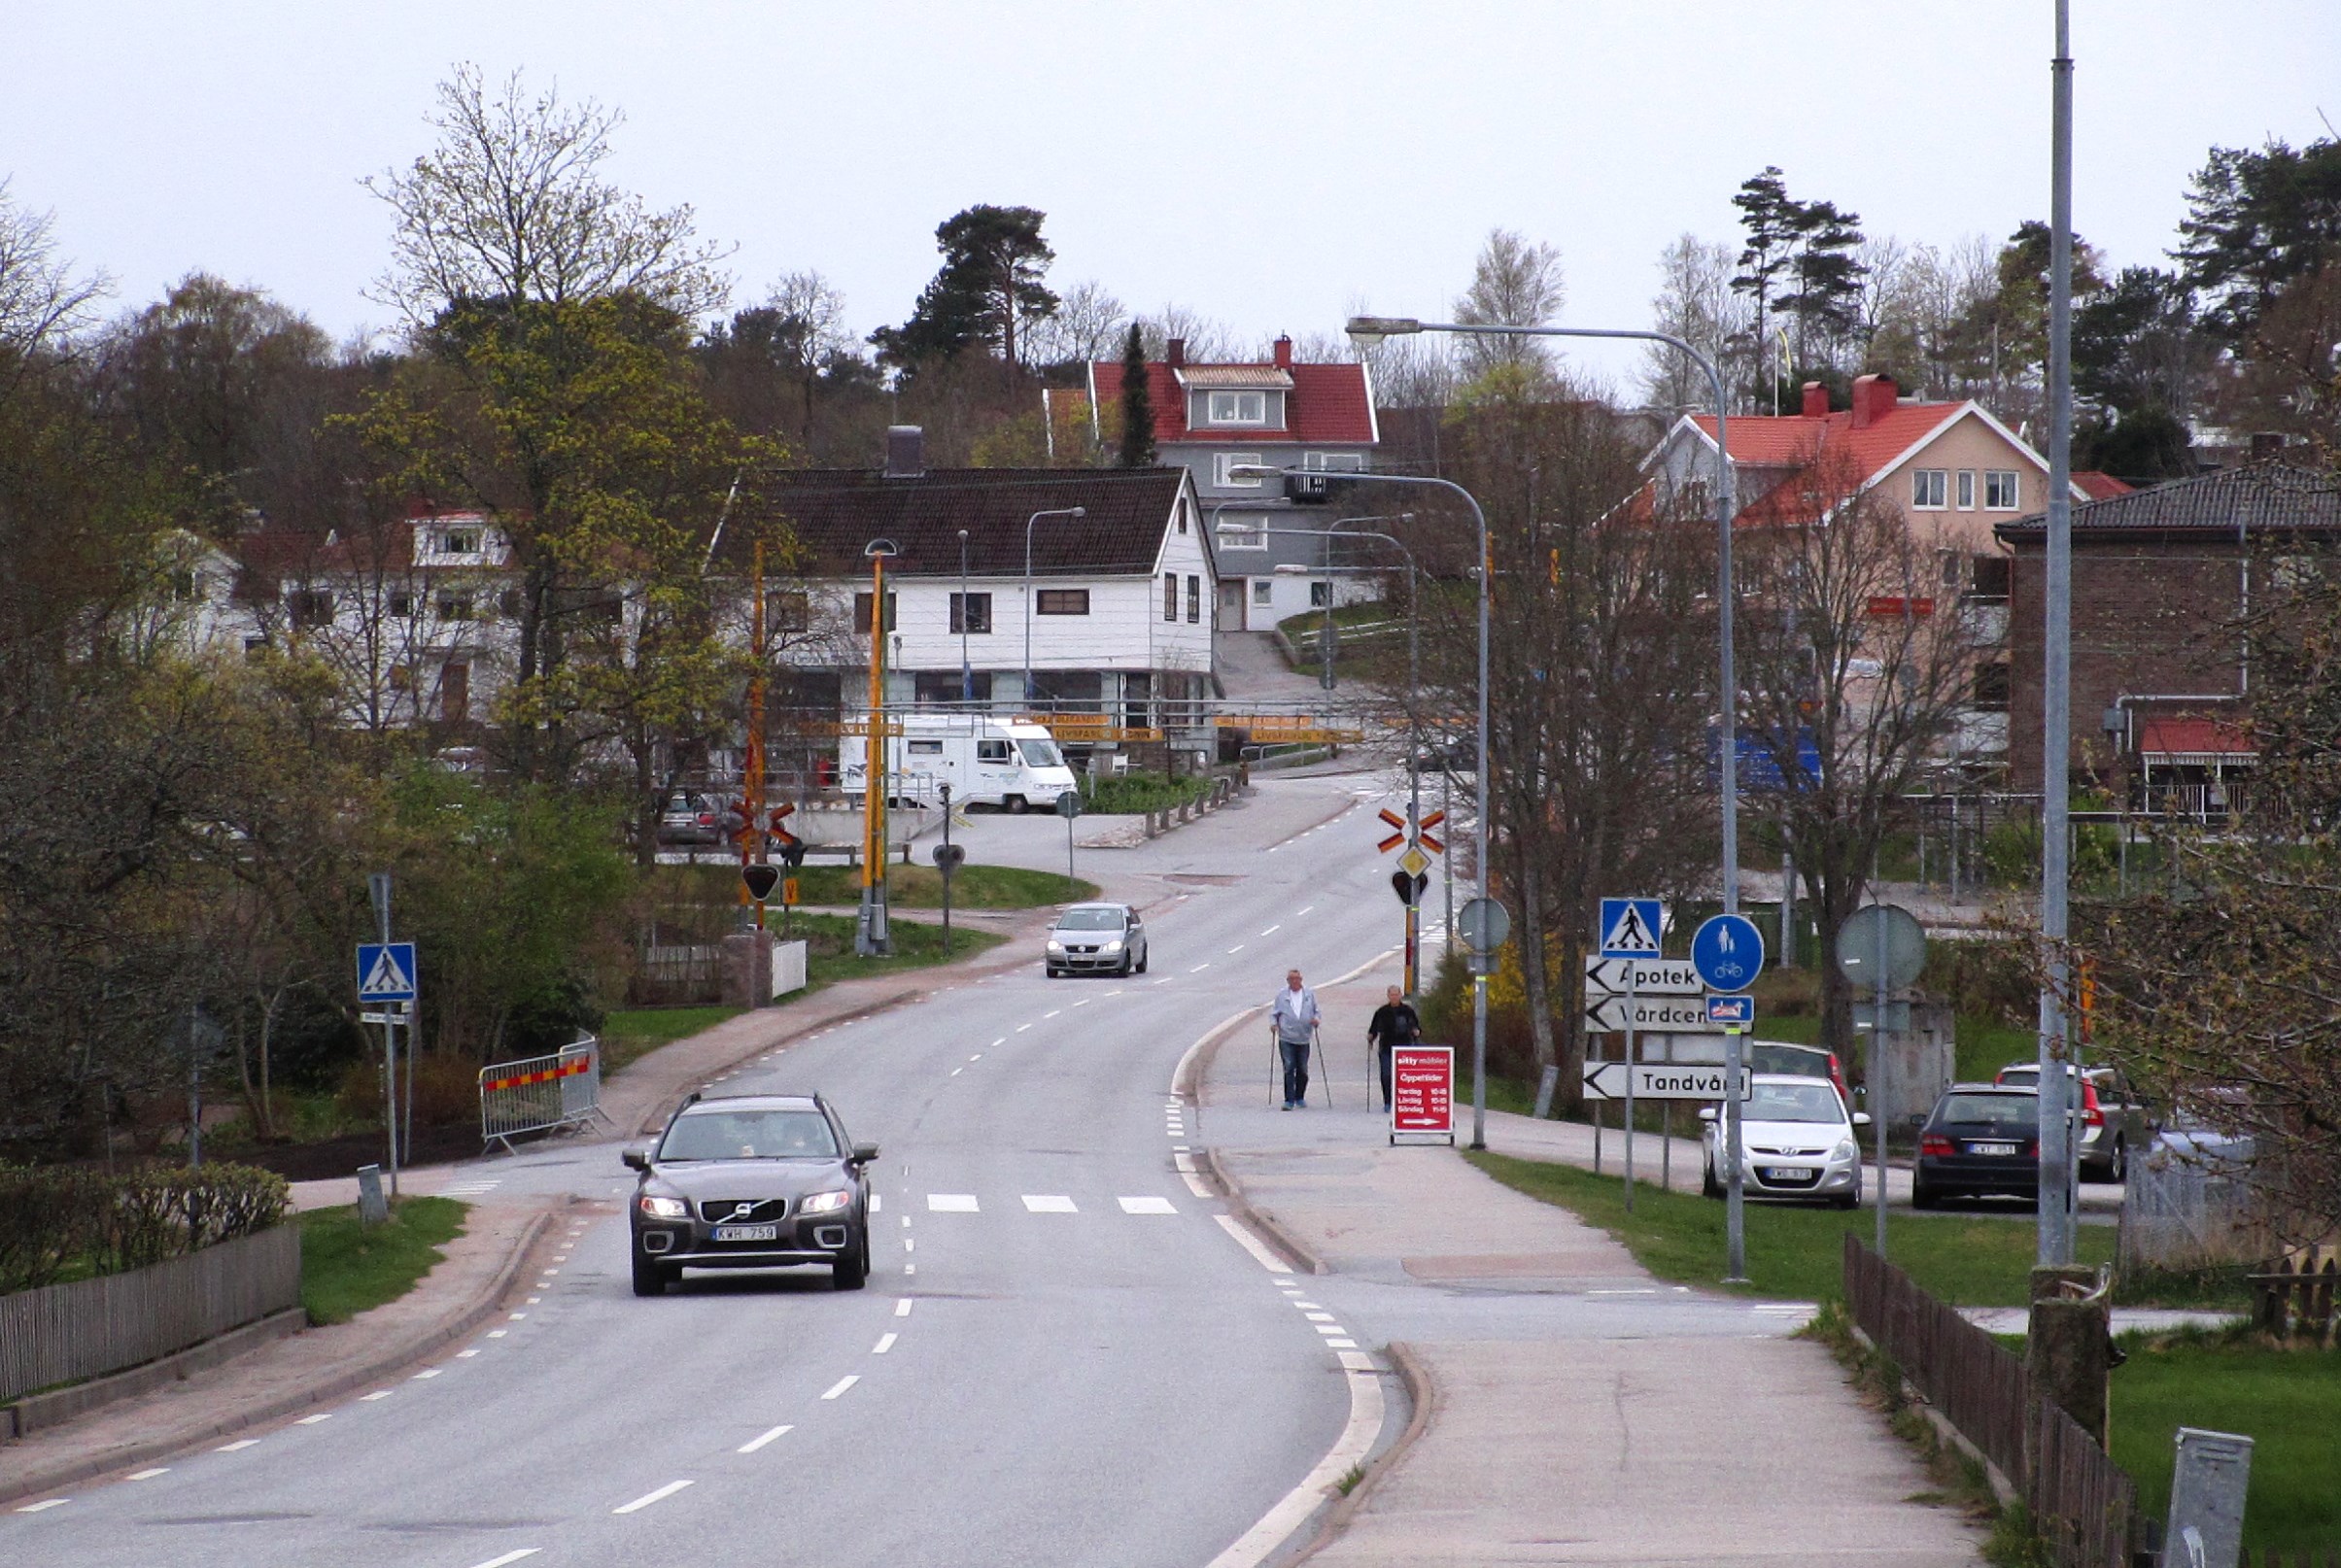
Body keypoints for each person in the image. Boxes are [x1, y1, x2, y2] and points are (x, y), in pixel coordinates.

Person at [1270, 969, 1320, 1109]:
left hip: (1304, 1037)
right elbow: (1274, 1013)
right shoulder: (1282, 995)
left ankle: (1300, 1096)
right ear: (1287, 981)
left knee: (1302, 1069)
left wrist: (1316, 1020)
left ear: (1301, 979)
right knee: (1289, 1067)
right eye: (1291, 979)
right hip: (1286, 1037)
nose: (1294, 981)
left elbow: (1317, 1011)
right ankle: (1289, 1100)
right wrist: (1273, 1024)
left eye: (1297, 979)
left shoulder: (1309, 994)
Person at [1367, 986, 1423, 1108]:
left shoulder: (1407, 1011)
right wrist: (1371, 1036)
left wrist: (1416, 1031)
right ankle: (1387, 1101)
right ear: (1388, 996)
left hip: (1404, 1048)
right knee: (1386, 1074)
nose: (1394, 997)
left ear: (1400, 995)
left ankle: (1403, 1100)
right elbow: (1374, 1028)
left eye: (1396, 994)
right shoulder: (1381, 1012)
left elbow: (1416, 1025)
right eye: (1392, 995)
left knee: (1404, 1076)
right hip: (1386, 1047)